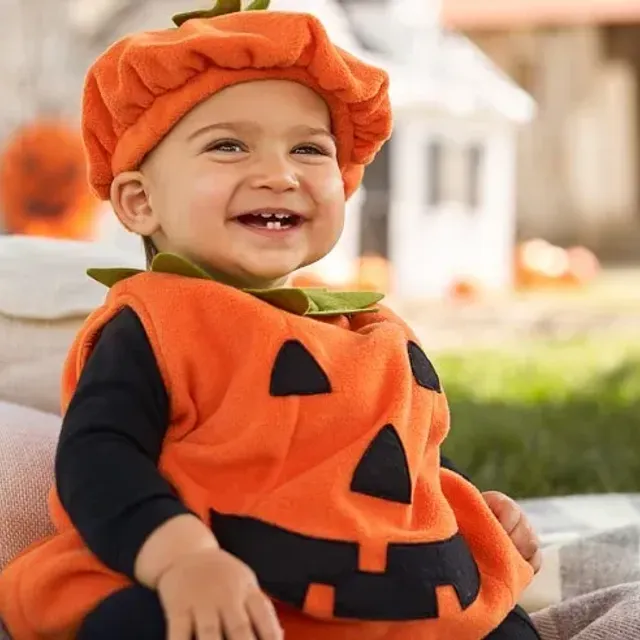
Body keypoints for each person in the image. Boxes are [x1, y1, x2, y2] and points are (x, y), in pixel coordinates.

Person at [0, 2, 541, 639]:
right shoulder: (158, 321)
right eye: (228, 145)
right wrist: (182, 560)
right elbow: (98, 458)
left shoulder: (375, 333)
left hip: (383, 598)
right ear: (141, 200)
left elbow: (394, 462)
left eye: (309, 149)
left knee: (500, 622)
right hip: (216, 581)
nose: (279, 174)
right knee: (143, 621)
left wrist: (469, 504)